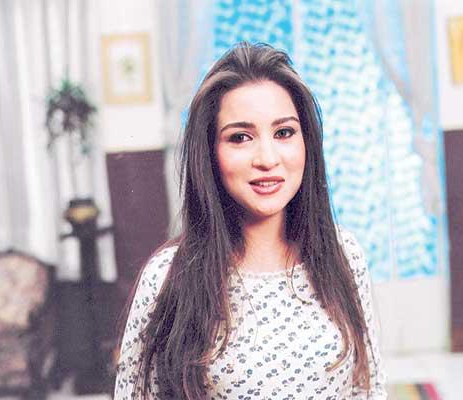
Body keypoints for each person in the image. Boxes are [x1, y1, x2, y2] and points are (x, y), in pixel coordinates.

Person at [115, 42, 387, 399]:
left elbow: (368, 388)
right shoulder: (167, 276)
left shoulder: (343, 254)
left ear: (307, 142)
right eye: (240, 137)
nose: (267, 158)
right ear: (210, 152)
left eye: (284, 132)